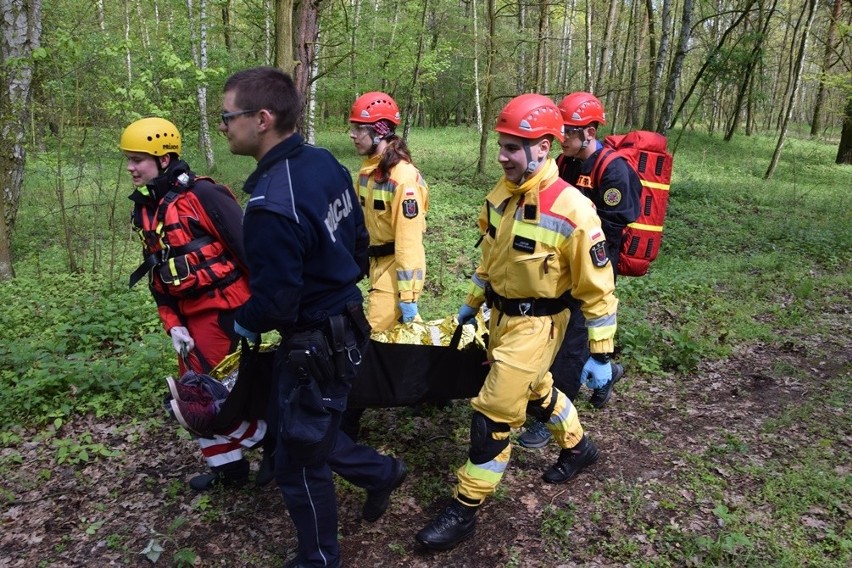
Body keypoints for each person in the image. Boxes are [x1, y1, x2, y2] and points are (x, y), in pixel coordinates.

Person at [415, 94, 619, 551]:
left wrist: (601, 354)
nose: (503, 156)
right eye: (502, 145)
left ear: (544, 147)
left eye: (513, 147)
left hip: (539, 325)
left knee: (494, 409)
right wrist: (472, 302)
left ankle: (465, 508)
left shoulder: (574, 210)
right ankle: (578, 446)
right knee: (535, 388)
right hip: (500, 317)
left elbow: (599, 288)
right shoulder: (500, 196)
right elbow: (490, 255)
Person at [221, 67, 407, 568]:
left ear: (262, 119)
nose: (223, 127)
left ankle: (319, 558)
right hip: (342, 323)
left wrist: (242, 321)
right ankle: (381, 473)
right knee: (301, 428)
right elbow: (359, 241)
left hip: (316, 341)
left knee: (299, 461)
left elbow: (275, 303)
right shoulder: (324, 162)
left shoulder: (268, 206)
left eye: (227, 117)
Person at [121, 117, 269, 491]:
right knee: (195, 395)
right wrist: (173, 324)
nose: (131, 167)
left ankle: (275, 444)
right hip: (189, 319)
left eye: (138, 159)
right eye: (129, 159)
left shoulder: (203, 196)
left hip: (226, 311)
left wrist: (268, 309)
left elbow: (251, 251)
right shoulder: (145, 209)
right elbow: (157, 277)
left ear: (165, 159)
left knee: (216, 395)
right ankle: (229, 470)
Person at [518, 92, 638, 448]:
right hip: (559, 265)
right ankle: (607, 372)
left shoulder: (614, 170)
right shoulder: (565, 162)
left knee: (570, 342)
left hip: (591, 268)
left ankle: (550, 418)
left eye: (567, 132)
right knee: (554, 333)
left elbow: (611, 230)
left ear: (588, 131)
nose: (561, 138)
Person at [349, 91, 430, 331]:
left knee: (374, 336)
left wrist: (408, 296)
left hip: (394, 270)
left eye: (359, 129)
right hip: (375, 263)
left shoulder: (403, 178)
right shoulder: (367, 173)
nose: (352, 135)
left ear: (379, 131)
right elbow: (358, 223)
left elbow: (409, 241)